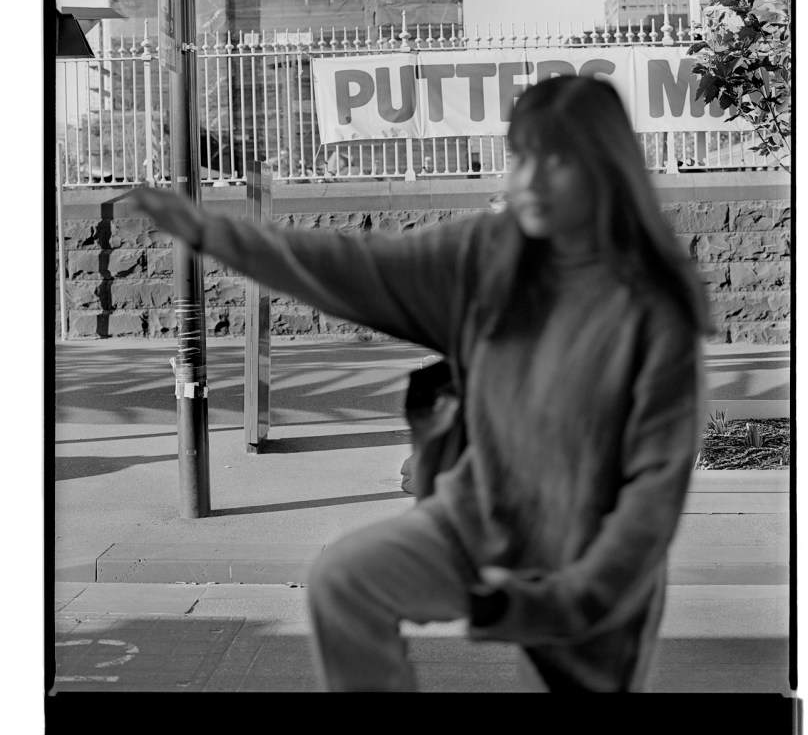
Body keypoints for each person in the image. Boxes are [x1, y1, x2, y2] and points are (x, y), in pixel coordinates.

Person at [131, 75, 711, 694]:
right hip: (480, 517)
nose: (531, 181)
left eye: (559, 160)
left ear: (606, 167)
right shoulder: (489, 253)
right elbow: (356, 266)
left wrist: (570, 598)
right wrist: (216, 235)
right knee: (346, 581)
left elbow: (653, 491)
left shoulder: (653, 310)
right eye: (520, 156)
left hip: (591, 558)